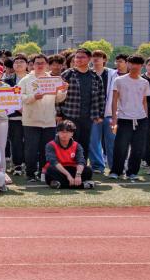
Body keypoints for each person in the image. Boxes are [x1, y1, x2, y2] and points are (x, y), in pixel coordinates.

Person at [19, 54, 66, 182]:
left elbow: (59, 98)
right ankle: (30, 173)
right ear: (32, 65)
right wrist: (33, 97)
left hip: (49, 121)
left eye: (42, 63)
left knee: (46, 149)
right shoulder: (25, 80)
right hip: (31, 120)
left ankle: (43, 173)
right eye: (37, 63)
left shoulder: (53, 80)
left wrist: (64, 90)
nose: (40, 65)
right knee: (31, 149)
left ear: (47, 65)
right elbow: (20, 97)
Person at [56, 48, 104, 166]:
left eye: (82, 57)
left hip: (88, 116)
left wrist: (100, 115)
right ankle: (68, 166)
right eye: (77, 57)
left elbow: (101, 97)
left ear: (89, 59)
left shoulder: (95, 76)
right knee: (68, 142)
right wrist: (59, 113)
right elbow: (57, 95)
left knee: (84, 143)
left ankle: (81, 166)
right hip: (69, 115)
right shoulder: (67, 74)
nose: (78, 59)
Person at [109, 55, 150, 181]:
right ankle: (116, 171)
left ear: (142, 66)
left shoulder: (144, 82)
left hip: (141, 119)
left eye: (138, 64)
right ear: (128, 64)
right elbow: (114, 100)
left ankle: (132, 172)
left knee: (138, 148)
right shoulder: (119, 80)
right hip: (123, 118)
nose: (135, 66)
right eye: (132, 63)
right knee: (120, 146)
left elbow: (144, 101)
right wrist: (114, 118)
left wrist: (146, 117)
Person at [44, 120, 95, 189]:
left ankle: (61, 184)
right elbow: (54, 162)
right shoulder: (50, 145)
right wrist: (68, 175)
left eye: (67, 132)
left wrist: (78, 175)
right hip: (59, 169)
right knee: (50, 171)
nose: (64, 134)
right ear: (58, 132)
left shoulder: (77, 145)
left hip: (72, 169)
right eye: (62, 132)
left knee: (88, 171)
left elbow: (81, 161)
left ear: (72, 134)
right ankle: (81, 185)